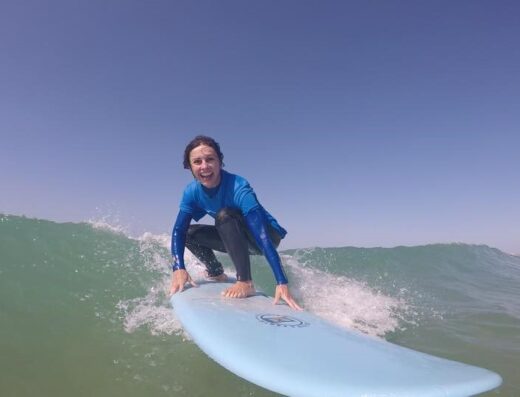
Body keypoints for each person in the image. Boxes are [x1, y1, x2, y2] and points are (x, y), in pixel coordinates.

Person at [169, 135, 302, 310]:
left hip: (266, 236)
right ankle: (216, 272)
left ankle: (246, 282)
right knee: (189, 233)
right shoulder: (192, 192)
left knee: (224, 215)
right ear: (190, 167)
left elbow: (262, 236)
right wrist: (178, 267)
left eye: (210, 159)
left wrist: (281, 281)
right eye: (197, 161)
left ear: (220, 162)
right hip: (235, 234)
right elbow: (179, 230)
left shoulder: (238, 186)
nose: (204, 166)